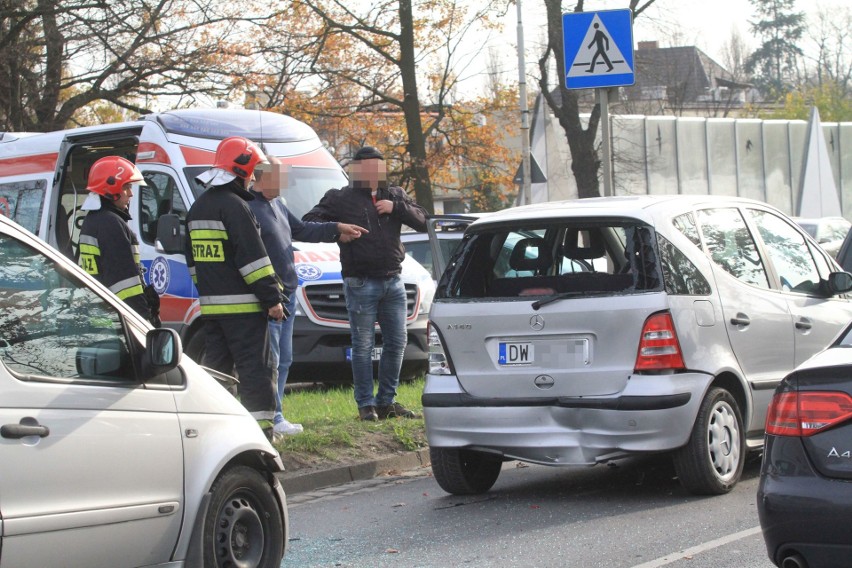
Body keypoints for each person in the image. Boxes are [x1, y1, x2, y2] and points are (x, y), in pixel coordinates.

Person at [303, 146, 427, 421]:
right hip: (360, 282)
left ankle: (386, 401)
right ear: (356, 170)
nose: (374, 173)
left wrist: (397, 208)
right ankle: (365, 405)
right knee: (362, 345)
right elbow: (309, 221)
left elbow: (423, 221)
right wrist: (337, 231)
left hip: (393, 280)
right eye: (368, 168)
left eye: (378, 168)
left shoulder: (395, 195)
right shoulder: (340, 198)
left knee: (397, 342)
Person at [248, 157, 367, 436]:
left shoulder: (277, 204)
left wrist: (337, 229)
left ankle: (277, 415)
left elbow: (301, 230)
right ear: (262, 177)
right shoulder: (249, 207)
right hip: (270, 297)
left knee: (285, 359)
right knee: (273, 359)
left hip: (288, 292)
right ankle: (271, 418)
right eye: (280, 176)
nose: (285, 183)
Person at [185, 136, 286, 441]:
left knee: (217, 371)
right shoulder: (236, 207)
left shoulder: (198, 207)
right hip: (245, 309)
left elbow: (193, 263)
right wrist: (272, 297)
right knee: (255, 370)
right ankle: (261, 434)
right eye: (253, 171)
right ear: (241, 170)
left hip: (212, 310)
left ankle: (219, 430)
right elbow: (253, 259)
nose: (255, 178)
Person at [78, 155, 160, 327]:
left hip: (102, 317)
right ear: (112, 189)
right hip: (119, 320)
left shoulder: (92, 221)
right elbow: (125, 281)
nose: (131, 193)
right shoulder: (111, 224)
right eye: (127, 187)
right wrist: (143, 317)